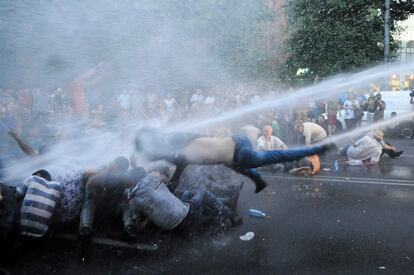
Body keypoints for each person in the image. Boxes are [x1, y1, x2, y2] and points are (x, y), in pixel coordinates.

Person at [134, 127, 333, 194]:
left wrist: (168, 188)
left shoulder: (179, 156)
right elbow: (177, 170)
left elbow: (175, 171)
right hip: (236, 142)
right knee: (229, 162)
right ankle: (258, 181)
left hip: (240, 154)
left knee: (277, 156)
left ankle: (318, 148)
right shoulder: (182, 146)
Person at [125, 170, 235, 233]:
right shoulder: (151, 178)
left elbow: (139, 226)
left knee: (187, 194)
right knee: (203, 194)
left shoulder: (133, 201)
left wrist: (148, 216)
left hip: (173, 229)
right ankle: (231, 215)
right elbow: (166, 179)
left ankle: (224, 204)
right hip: (186, 217)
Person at [79, 156, 135, 237]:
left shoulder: (101, 175)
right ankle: (129, 226)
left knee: (88, 201)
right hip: (114, 207)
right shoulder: (124, 178)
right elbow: (131, 183)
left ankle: (85, 226)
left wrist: (105, 172)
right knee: (126, 203)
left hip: (99, 207)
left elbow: (89, 183)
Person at [15, 170, 61, 238]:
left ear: (38, 174)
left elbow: (16, 197)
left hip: (20, 229)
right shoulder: (58, 187)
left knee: (20, 195)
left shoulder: (33, 178)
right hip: (40, 233)